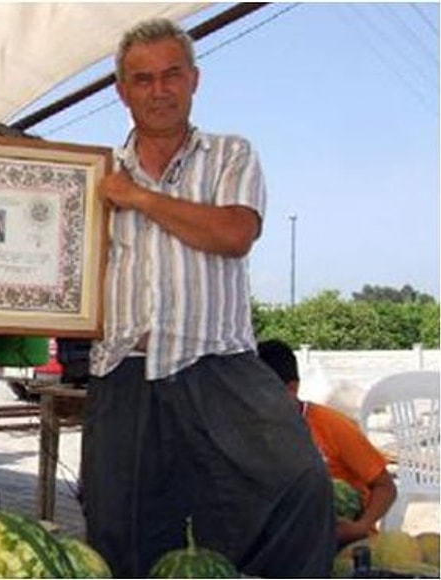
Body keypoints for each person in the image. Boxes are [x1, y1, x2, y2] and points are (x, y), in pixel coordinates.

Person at [79, 17, 336, 578]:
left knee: (300, 484)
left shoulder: (229, 155)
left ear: (194, 79)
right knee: (120, 526)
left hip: (218, 362)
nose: (159, 90)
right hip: (125, 368)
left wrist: (140, 199)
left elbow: (233, 234)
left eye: (172, 74)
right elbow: (56, 277)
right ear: (122, 90)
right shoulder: (94, 176)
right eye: (142, 79)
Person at [257, 338, 397, 545]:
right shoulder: (249, 433)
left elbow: (386, 487)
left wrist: (360, 527)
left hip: (346, 542)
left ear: (292, 388)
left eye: (260, 393)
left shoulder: (332, 426)